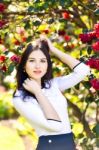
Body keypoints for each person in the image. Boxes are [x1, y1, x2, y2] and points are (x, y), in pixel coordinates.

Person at [12, 35, 91, 150]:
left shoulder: (53, 85)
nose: (38, 66)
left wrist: (53, 50)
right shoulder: (20, 97)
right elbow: (56, 126)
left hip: (69, 145)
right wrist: (38, 93)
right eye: (32, 60)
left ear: (47, 65)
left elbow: (83, 71)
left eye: (43, 61)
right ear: (24, 65)